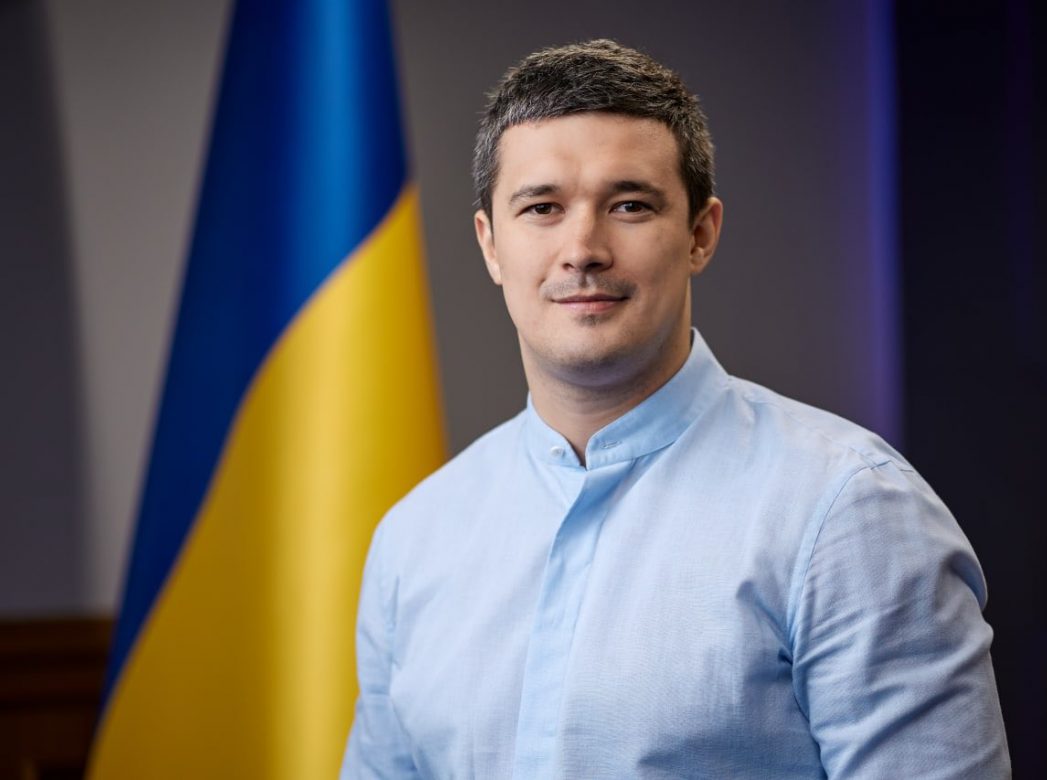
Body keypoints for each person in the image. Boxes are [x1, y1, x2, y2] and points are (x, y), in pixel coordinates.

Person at [342, 39, 1010, 778]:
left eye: (629, 205)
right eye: (542, 208)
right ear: (491, 245)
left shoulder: (848, 515)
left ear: (700, 235)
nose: (582, 249)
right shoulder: (415, 540)